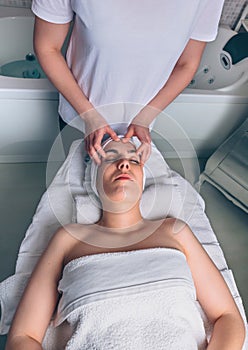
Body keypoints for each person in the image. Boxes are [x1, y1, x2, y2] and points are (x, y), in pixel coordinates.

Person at [6, 138, 245, 350]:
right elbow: (23, 336)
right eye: (111, 158)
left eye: (134, 159)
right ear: (94, 181)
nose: (124, 164)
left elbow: (228, 318)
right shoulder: (69, 238)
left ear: (142, 180)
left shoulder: (174, 230)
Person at [31, 0, 225, 164]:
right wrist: (89, 116)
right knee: (75, 183)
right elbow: (47, 47)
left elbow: (187, 64)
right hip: (79, 116)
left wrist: (144, 118)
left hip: (140, 123)